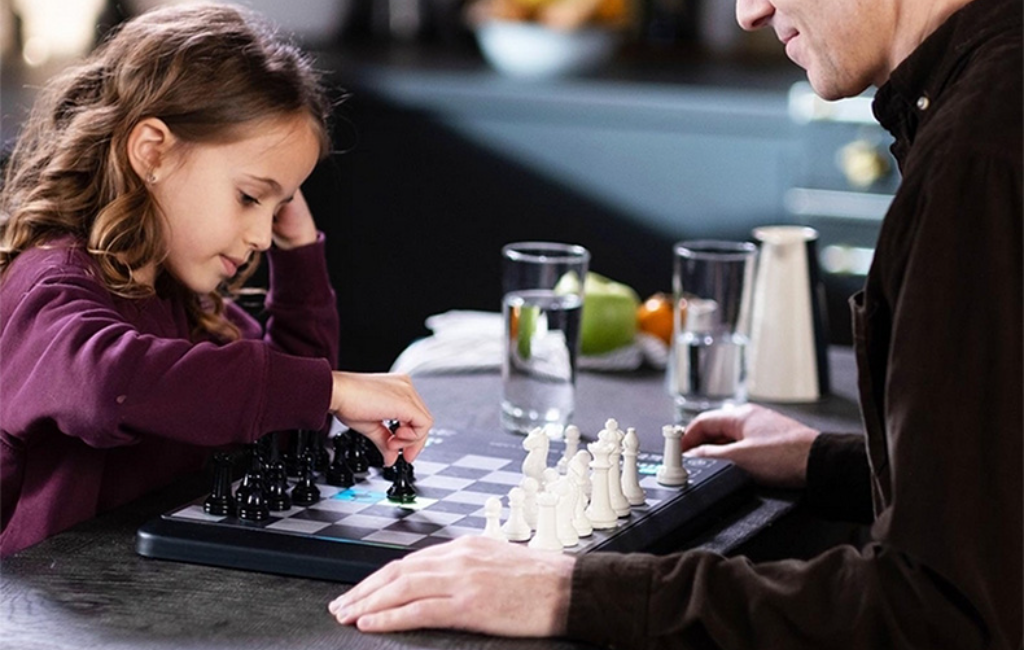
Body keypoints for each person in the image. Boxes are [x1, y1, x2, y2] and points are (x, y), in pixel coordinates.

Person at [328, 0, 1022, 646]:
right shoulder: (993, 97)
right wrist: (835, 461)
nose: (750, 12)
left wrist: (570, 591)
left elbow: (941, 611)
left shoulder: (977, 155)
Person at [0, 4, 434, 558]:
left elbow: (278, 431)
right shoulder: (49, 287)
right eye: (251, 196)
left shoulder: (188, 303)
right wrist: (332, 388)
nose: (260, 234)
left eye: (278, 206)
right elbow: (109, 386)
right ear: (153, 151)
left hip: (149, 606)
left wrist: (298, 255)